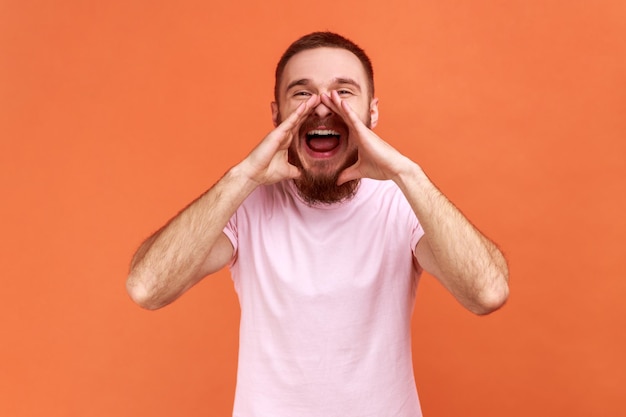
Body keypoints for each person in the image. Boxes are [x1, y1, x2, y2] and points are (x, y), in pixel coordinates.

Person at [126, 31, 509, 417]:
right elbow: (147, 288)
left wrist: (407, 174)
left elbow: (487, 293)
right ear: (276, 114)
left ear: (372, 112)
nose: (323, 108)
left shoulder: (403, 204)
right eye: (302, 93)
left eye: (343, 92)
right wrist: (242, 177)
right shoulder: (248, 203)